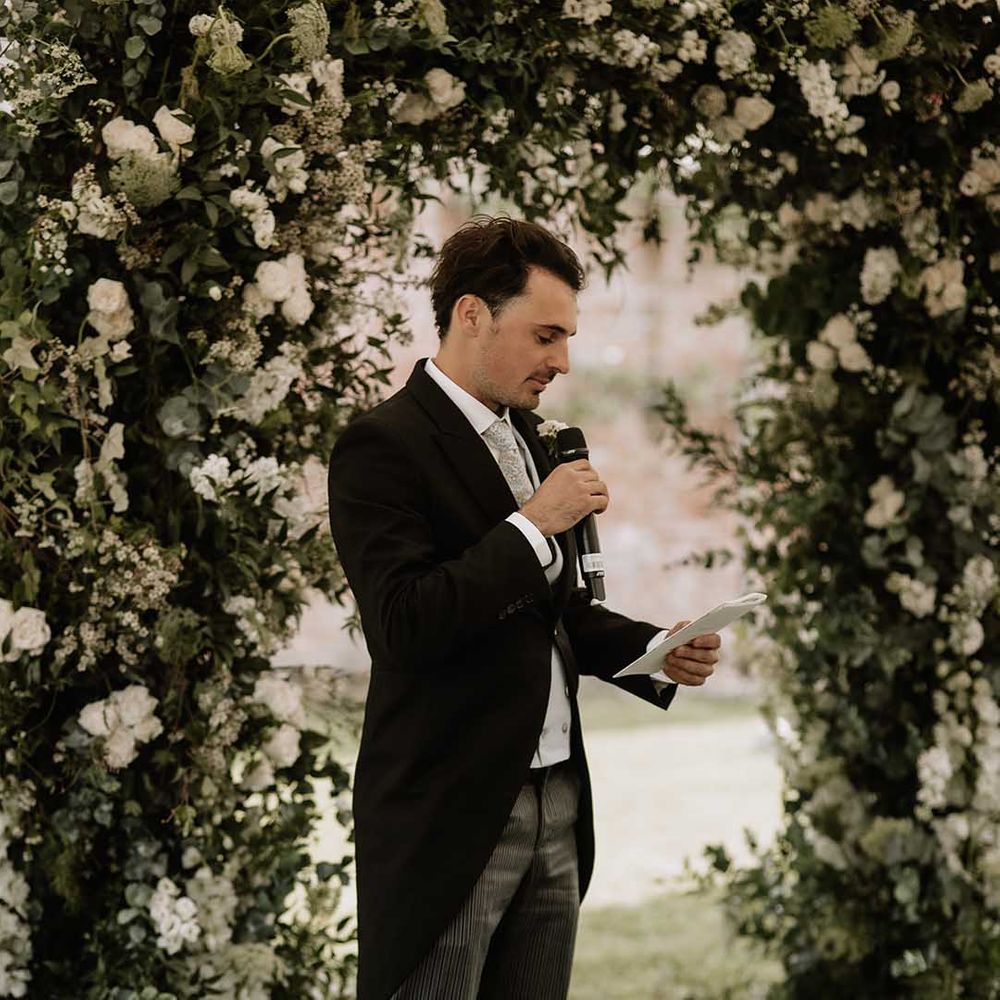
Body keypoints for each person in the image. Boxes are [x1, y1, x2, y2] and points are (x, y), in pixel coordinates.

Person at [326, 215, 722, 1000]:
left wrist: (655, 647)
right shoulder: (383, 446)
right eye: (546, 336)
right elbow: (404, 624)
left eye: (567, 339)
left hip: (558, 801)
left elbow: (554, 608)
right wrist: (534, 521)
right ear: (472, 314)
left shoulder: (534, 439)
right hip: (452, 812)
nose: (563, 362)